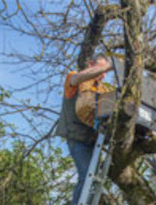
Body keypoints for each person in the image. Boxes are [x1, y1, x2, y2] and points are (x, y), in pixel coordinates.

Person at [55, 54, 114, 205]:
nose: (103, 74)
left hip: (94, 140)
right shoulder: (74, 78)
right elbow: (76, 79)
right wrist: (108, 65)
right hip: (77, 138)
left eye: (105, 72)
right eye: (100, 69)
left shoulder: (102, 89)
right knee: (87, 174)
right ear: (90, 64)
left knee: (94, 179)